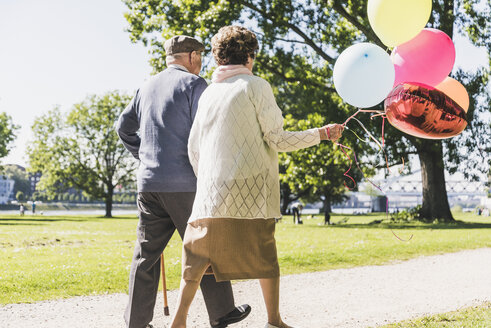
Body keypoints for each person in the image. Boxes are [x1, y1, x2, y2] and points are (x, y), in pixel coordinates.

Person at [170, 26, 344, 328]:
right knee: (264, 253)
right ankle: (274, 319)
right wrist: (322, 134)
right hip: (251, 193)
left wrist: (210, 181)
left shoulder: (209, 92)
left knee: (197, 258)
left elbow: (193, 148)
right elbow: (277, 139)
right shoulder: (256, 86)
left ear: (217, 57)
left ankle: (178, 321)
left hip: (211, 194)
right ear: (250, 55)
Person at [116, 35, 250, 328]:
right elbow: (209, 132)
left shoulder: (145, 87)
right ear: (190, 56)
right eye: (200, 56)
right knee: (207, 246)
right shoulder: (194, 85)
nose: (201, 62)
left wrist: (145, 155)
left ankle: (136, 323)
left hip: (149, 185)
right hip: (186, 184)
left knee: (145, 256)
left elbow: (122, 128)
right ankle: (222, 311)